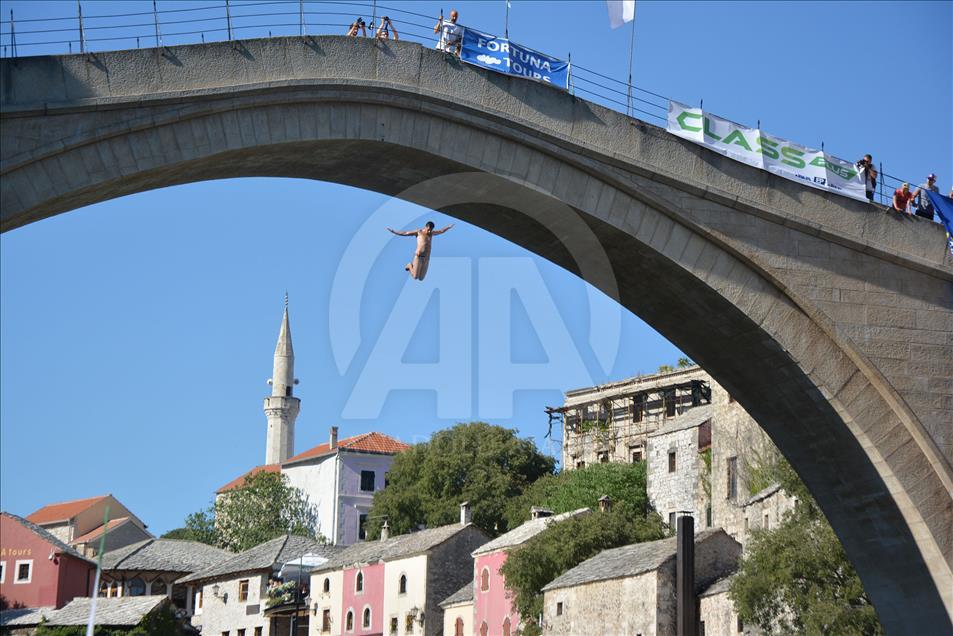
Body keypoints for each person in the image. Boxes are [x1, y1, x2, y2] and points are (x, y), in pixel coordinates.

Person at [387, 221, 454, 281]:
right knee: (415, 277)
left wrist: (448, 227)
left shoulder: (431, 233)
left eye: (431, 230)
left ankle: (413, 267)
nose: (429, 232)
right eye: (428, 230)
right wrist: (394, 231)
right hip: (418, 257)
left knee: (421, 278)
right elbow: (406, 233)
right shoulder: (419, 232)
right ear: (425, 227)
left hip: (426, 259)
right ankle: (409, 265)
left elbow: (441, 231)